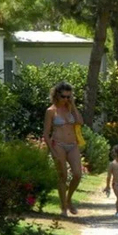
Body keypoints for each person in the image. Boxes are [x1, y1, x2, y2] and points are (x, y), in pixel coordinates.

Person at [42, 81, 83, 217]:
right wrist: (52, 151)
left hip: (72, 145)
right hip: (58, 145)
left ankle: (69, 199)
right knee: (62, 176)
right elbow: (46, 134)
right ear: (56, 95)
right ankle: (63, 207)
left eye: (68, 96)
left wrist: (74, 106)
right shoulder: (50, 111)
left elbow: (80, 122)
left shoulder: (70, 108)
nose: (66, 99)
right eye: (64, 96)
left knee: (77, 174)